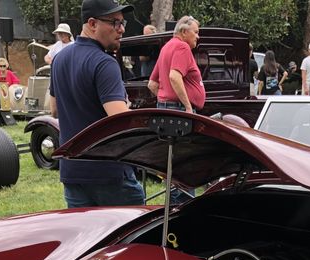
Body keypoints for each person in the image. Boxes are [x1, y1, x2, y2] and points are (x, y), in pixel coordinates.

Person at [49, 0, 144, 208]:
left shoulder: (59, 59)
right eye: (115, 23)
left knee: (88, 239)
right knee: (130, 238)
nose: (121, 30)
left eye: (122, 23)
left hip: (73, 173)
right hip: (110, 174)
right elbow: (120, 121)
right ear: (92, 24)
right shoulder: (105, 62)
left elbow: (54, 110)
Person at [147, 16, 204, 113]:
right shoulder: (183, 46)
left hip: (166, 108)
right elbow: (174, 76)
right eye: (195, 32)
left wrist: (166, 99)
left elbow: (152, 84)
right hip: (179, 109)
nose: (198, 37)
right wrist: (188, 107)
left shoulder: (166, 47)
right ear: (184, 32)